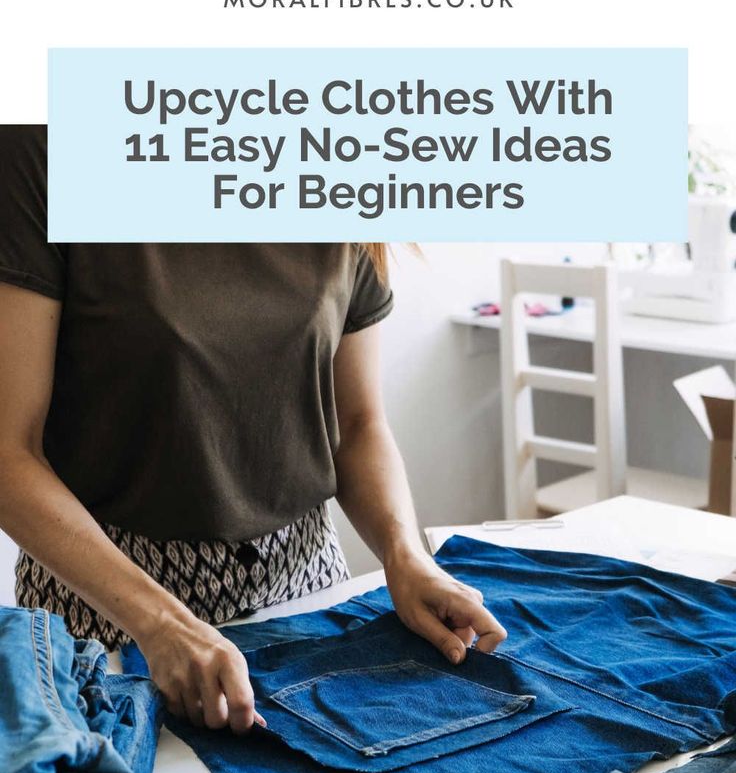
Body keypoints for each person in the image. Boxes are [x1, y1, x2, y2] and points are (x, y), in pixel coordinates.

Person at [0, 125, 507, 735]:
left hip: (307, 597)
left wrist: (405, 555)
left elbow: (358, 421)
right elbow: (9, 453)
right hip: (106, 614)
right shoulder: (39, 148)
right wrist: (160, 622)